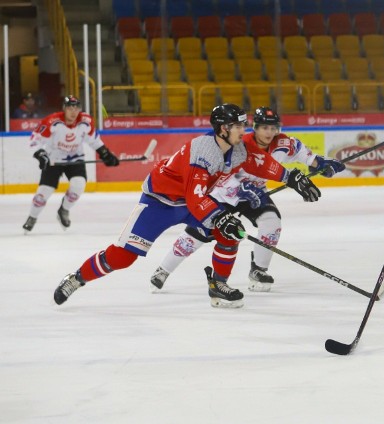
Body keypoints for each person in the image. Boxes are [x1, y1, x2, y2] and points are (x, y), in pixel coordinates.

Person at [52, 104, 321, 309]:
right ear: (223, 129)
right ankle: (77, 278)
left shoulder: (236, 148)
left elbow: (259, 163)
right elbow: (195, 196)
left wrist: (291, 177)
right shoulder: (203, 150)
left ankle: (219, 286)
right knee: (123, 257)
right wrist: (219, 215)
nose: (244, 130)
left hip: (193, 202)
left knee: (229, 232)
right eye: (238, 126)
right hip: (160, 203)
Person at [150, 107, 345, 293]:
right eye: (264, 128)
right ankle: (164, 269)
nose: (269, 132)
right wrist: (238, 188)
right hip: (223, 192)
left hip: (255, 193)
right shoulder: (240, 143)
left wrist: (323, 164)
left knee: (271, 221)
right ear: (255, 127)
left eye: (273, 128)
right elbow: (222, 172)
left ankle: (258, 270)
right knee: (199, 232)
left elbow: (306, 155)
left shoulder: (285, 143)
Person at [22, 95, 120, 234]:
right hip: (53, 160)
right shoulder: (52, 121)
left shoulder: (85, 121)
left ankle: (64, 209)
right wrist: (40, 155)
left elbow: (94, 140)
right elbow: (34, 140)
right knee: (43, 193)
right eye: (70, 107)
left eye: (76, 108)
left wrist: (105, 154)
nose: (73, 111)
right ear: (64, 109)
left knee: (79, 185)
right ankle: (32, 217)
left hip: (75, 158)